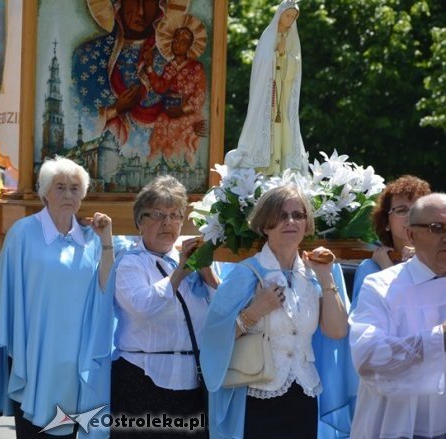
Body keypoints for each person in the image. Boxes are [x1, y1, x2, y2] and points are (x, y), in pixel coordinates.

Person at [201, 185, 349, 438]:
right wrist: (255, 312)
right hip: (255, 397)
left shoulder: (315, 274)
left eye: (298, 215)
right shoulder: (245, 273)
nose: (291, 221)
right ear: (265, 225)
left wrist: (326, 279)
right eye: (281, 215)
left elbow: (337, 331)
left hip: (304, 396)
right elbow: (213, 339)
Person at [0, 156, 114, 438]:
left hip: (75, 361)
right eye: (60, 187)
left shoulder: (92, 238)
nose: (68, 194)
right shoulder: (23, 233)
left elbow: (107, 288)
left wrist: (107, 241)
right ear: (44, 192)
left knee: (69, 431)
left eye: (75, 188)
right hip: (33, 355)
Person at [110, 175, 219, 438]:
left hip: (191, 382)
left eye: (175, 215)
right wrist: (180, 271)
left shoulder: (196, 258)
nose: (167, 222)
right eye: (157, 214)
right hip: (141, 379)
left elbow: (223, 314)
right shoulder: (130, 263)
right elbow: (145, 307)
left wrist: (207, 273)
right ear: (139, 221)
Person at [349, 193, 446, 438]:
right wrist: (440, 338)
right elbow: (369, 360)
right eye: (437, 228)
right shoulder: (380, 287)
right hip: (398, 427)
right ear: (411, 234)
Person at [71, 0, 170, 149]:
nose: (141, 12)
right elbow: (79, 121)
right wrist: (115, 109)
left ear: (160, 7)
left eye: (150, 2)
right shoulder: (88, 57)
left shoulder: (169, 65)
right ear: (118, 4)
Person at [225, 0, 307, 175]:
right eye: (288, 15)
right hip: (268, 94)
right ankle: (265, 168)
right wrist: (275, 53)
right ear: (279, 15)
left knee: (284, 129)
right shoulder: (268, 35)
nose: (290, 19)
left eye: (293, 17)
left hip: (282, 94)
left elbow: (296, 66)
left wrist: (284, 55)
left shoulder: (292, 37)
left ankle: (282, 169)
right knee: (266, 130)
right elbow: (262, 63)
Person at [352, 175, 432, 308]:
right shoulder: (371, 268)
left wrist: (388, 269)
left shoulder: (439, 264)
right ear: (386, 223)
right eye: (401, 210)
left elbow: (425, 315)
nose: (410, 217)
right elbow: (361, 323)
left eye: (417, 210)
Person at [144, 16, 208, 166]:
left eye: (183, 42)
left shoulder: (195, 67)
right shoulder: (170, 66)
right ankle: (158, 164)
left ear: (189, 46)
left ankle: (182, 165)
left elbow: (199, 95)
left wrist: (182, 109)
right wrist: (149, 66)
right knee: (161, 123)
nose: (178, 45)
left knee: (182, 133)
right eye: (175, 41)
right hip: (170, 111)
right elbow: (160, 87)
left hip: (188, 113)